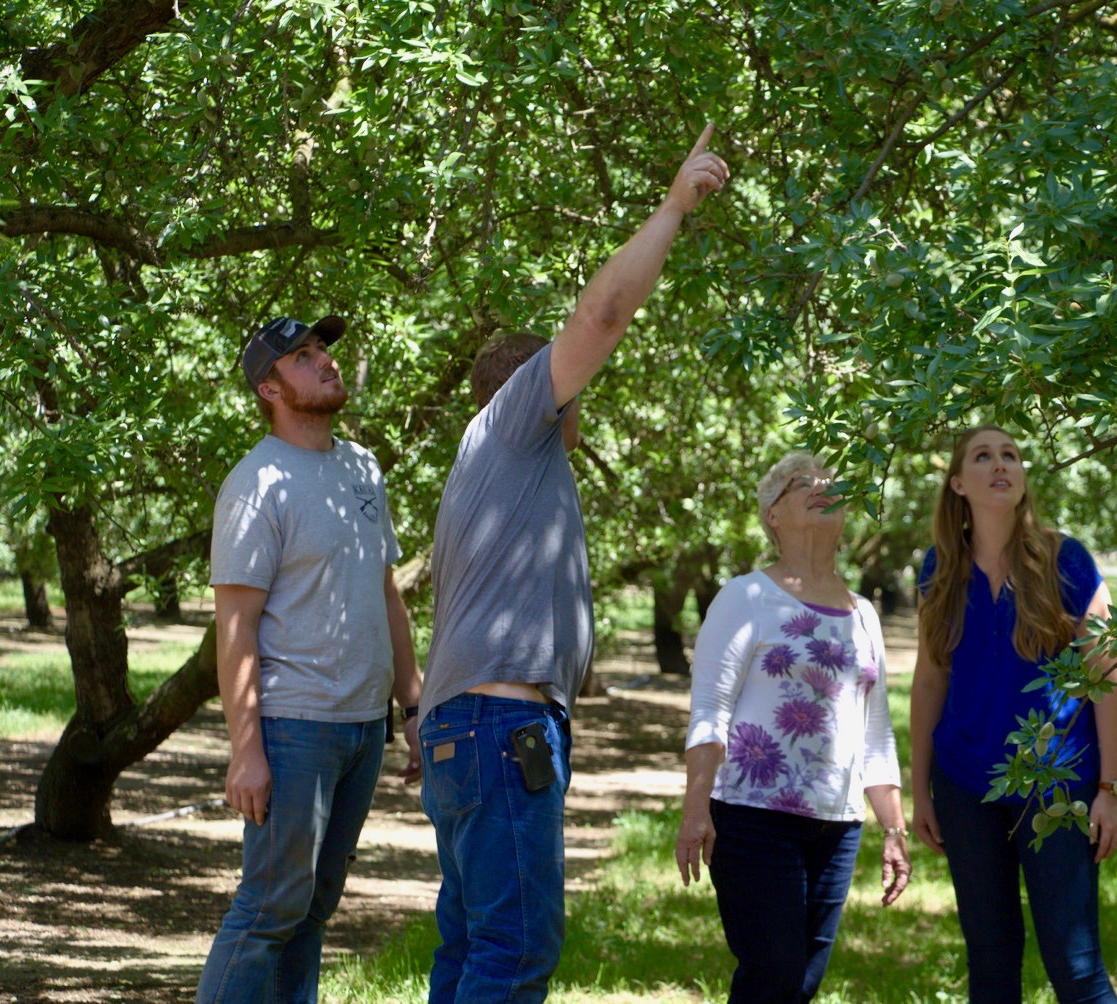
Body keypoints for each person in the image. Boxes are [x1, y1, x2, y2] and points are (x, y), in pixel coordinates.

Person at [400, 124, 729, 1003]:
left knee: (472, 948)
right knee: (514, 954)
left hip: (471, 730)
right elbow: (602, 315)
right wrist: (672, 207)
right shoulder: (517, 422)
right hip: (500, 734)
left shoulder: (494, 471)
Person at [198, 314, 422, 1004]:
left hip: (362, 728)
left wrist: (412, 703)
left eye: (323, 350)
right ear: (269, 386)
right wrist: (247, 750)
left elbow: (385, 589)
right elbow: (234, 626)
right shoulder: (256, 482)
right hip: (295, 729)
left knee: (313, 911)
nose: (325, 362)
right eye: (303, 356)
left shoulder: (361, 466)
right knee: (269, 909)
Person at [675, 451, 910, 1004]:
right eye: (800, 483)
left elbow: (875, 732)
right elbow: (710, 708)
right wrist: (695, 808)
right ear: (771, 516)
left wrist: (893, 830)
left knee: (801, 985)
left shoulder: (863, 615)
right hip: (753, 819)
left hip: (839, 825)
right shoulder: (746, 597)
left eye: (829, 480)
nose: (821, 486)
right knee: (773, 974)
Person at [909, 425, 1117, 1004]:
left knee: (1074, 964)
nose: (1001, 464)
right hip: (962, 785)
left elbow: (1108, 676)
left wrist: (1110, 787)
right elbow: (930, 681)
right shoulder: (938, 569)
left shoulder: (1067, 560)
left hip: (1057, 786)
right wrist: (921, 792)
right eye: (983, 456)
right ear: (958, 484)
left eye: (1010, 454)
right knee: (990, 958)